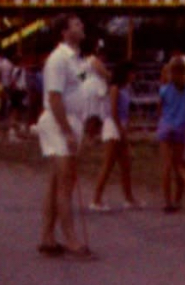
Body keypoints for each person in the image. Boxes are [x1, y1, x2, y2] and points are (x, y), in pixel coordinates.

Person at [36, 14, 93, 257]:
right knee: (66, 183)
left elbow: (78, 83)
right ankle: (70, 239)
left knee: (55, 182)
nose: (82, 27)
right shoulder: (58, 59)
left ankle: (47, 238)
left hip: (71, 121)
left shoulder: (75, 59)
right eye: (77, 24)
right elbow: (54, 97)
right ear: (64, 31)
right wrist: (67, 132)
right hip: (60, 122)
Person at [91, 60, 140, 210]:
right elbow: (113, 110)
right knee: (108, 164)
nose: (134, 75)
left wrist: (126, 127)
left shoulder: (126, 89)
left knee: (126, 165)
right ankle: (96, 199)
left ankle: (129, 198)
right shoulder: (115, 88)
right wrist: (120, 129)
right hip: (113, 126)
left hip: (121, 125)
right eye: (132, 72)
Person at [157, 58, 185, 212]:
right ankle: (179, 198)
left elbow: (159, 109)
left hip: (166, 126)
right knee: (179, 165)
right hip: (181, 127)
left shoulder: (164, 89)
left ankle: (167, 201)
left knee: (166, 166)